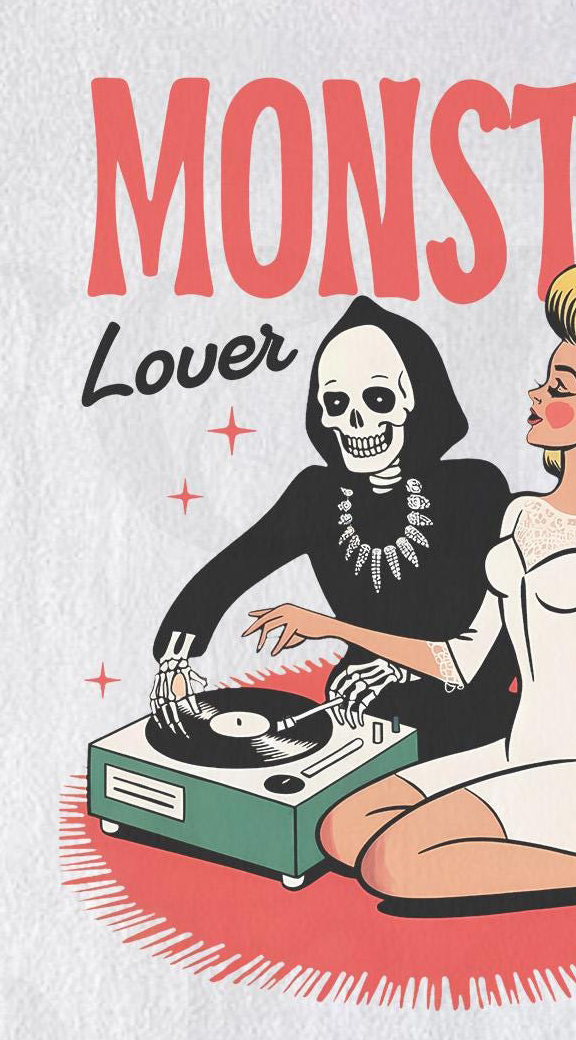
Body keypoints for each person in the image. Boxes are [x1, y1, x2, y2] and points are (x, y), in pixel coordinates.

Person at [245, 265, 576, 907]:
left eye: (559, 387)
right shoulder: (519, 514)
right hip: (521, 744)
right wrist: (327, 627)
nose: (536, 394)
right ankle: (559, 853)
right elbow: (461, 659)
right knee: (341, 829)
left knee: (392, 863)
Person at [150, 298, 517, 754]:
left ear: (417, 399)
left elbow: (492, 636)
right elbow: (229, 571)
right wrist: (175, 658)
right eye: (337, 403)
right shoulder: (318, 495)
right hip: (352, 710)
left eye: (379, 399)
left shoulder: (475, 487)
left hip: (465, 716)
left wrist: (396, 667)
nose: (356, 421)